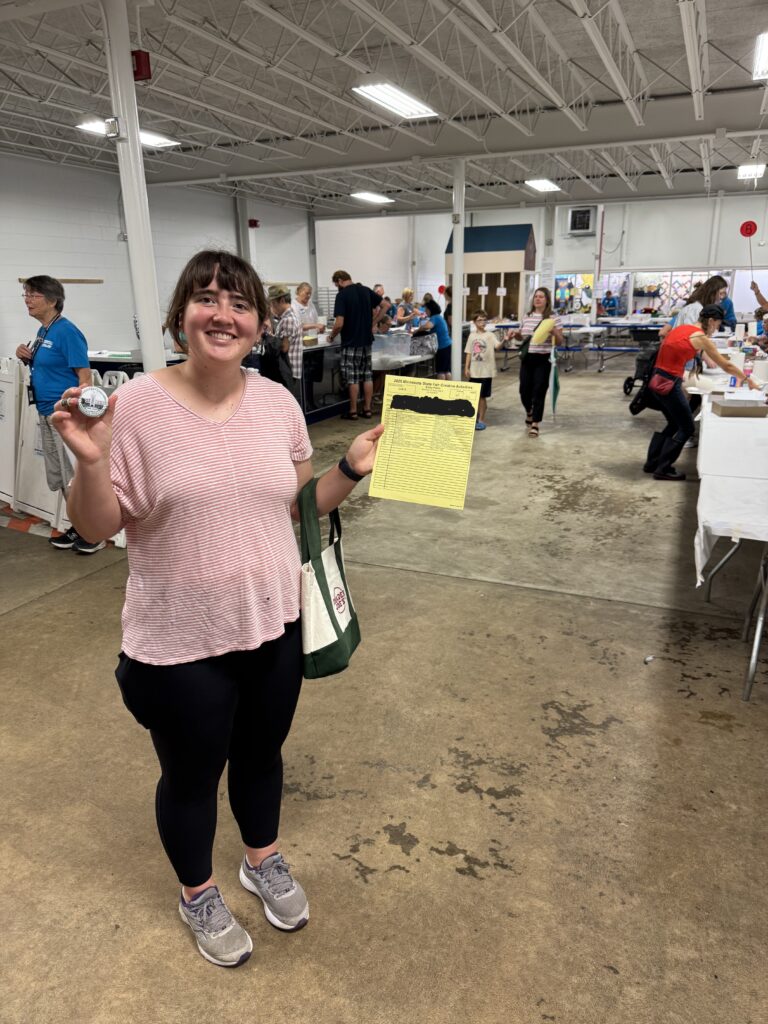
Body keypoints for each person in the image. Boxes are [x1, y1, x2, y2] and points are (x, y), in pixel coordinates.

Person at [50, 250, 384, 968]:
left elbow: (299, 511)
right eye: (206, 299)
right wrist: (90, 461)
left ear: (260, 324)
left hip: (273, 623)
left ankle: (260, 859)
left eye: (238, 304)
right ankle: (197, 890)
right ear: (181, 318)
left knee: (262, 757)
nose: (222, 314)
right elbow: (95, 528)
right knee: (193, 776)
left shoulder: (276, 403)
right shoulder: (135, 406)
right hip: (180, 639)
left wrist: (350, 469)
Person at [15, 275, 103, 555]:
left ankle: (94, 532)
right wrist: (26, 356)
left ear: (52, 301)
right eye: (26, 294)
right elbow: (51, 366)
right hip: (45, 412)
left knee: (72, 477)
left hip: (63, 417)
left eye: (33, 295)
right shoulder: (45, 331)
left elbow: (84, 376)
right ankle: (80, 525)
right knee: (61, 477)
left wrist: (73, 412)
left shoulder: (66, 332)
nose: (27, 300)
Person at [644, 303, 760, 481]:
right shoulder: (700, 337)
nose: (716, 329)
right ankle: (663, 468)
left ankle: (652, 463)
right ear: (712, 321)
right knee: (687, 426)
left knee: (674, 423)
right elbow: (726, 365)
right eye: (717, 325)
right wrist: (748, 380)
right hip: (668, 383)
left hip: (657, 379)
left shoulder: (682, 329)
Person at [508, 287, 565, 438]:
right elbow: (522, 338)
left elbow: (560, 342)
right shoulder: (526, 316)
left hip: (543, 358)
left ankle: (535, 423)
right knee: (524, 390)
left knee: (539, 391)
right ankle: (529, 412)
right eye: (536, 296)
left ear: (547, 300)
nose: (537, 299)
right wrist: (516, 334)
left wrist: (554, 332)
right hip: (527, 358)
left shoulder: (553, 318)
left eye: (541, 297)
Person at [328, 269, 382, 420]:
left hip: (351, 342)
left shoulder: (342, 295)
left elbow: (339, 323)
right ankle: (367, 409)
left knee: (352, 378)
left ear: (339, 281)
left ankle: (352, 411)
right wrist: (374, 322)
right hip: (366, 341)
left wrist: (332, 336)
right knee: (367, 376)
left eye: (336, 284)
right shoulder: (365, 290)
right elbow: (385, 305)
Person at [463, 310, 503, 431]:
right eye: (479, 320)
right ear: (474, 322)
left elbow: (498, 346)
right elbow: (469, 353)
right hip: (474, 371)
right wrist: (466, 367)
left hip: (486, 371)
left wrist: (504, 340)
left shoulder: (490, 335)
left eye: (484, 319)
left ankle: (481, 420)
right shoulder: (472, 336)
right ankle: (474, 418)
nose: (482, 322)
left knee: (482, 397)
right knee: (474, 396)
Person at [268, 284, 303, 401]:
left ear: (282, 300)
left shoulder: (288, 320)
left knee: (285, 402)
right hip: (288, 369)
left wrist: (269, 338)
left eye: (273, 304)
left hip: (287, 370)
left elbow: (284, 347)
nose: (272, 308)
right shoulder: (288, 317)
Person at [423, 297, 452, 379]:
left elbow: (428, 326)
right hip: (447, 345)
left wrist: (419, 329)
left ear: (430, 309)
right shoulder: (439, 317)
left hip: (442, 347)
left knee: (440, 372)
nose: (425, 311)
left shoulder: (434, 317)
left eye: (426, 309)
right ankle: (448, 390)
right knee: (447, 371)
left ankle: (440, 391)